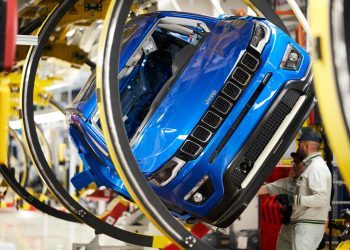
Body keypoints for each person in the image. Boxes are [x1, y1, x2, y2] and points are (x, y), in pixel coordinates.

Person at [258, 131, 332, 250]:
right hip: (298, 224)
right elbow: (273, 187)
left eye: (299, 145)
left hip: (308, 226)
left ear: (306, 146)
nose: (298, 149)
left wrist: (291, 199)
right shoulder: (308, 169)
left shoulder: (317, 167)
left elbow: (321, 199)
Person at [258, 152, 305, 250]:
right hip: (286, 233)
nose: (292, 167)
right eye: (293, 163)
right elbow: (263, 189)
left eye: (296, 164)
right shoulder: (288, 183)